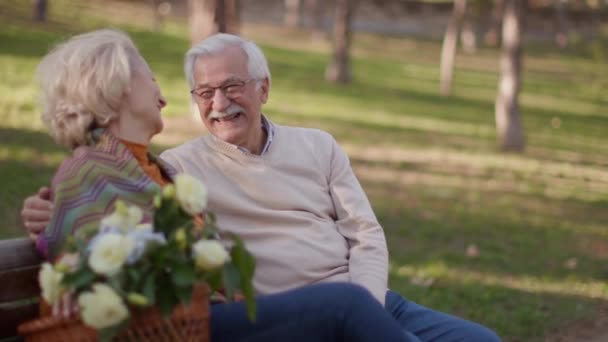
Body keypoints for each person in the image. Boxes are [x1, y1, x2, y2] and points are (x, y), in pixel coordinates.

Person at [23, 33, 501, 342]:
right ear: (120, 88)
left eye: (232, 87)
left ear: (263, 89)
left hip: (361, 298)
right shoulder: (172, 167)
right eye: (203, 93)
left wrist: (369, 312)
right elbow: (85, 220)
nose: (216, 103)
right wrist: (49, 226)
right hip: (283, 317)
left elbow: (367, 235)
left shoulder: (312, 147)